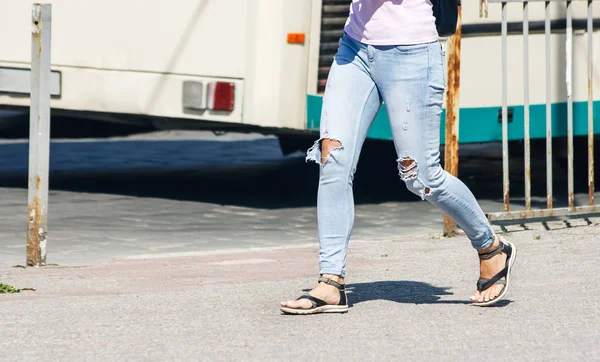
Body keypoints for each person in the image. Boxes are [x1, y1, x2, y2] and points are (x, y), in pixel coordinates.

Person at [280, 0, 517, 314]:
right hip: (355, 51)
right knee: (333, 159)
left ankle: (490, 247)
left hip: (413, 54)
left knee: (421, 178)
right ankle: (331, 282)